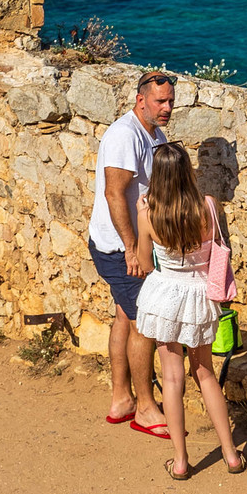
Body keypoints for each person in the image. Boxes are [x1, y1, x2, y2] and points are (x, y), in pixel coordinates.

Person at [134, 142, 244, 480]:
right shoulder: (208, 206)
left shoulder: (148, 212)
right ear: (186, 173)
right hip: (200, 296)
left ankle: (181, 461)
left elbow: (142, 262)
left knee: (171, 377)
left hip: (165, 294)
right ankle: (230, 454)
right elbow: (218, 255)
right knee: (205, 373)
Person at [87, 68, 174, 434]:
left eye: (170, 100)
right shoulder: (125, 135)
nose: (167, 107)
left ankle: (121, 399)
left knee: (125, 317)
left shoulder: (153, 131)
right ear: (141, 100)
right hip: (119, 246)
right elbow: (114, 193)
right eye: (160, 101)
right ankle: (145, 408)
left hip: (133, 243)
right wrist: (131, 248)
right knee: (145, 322)